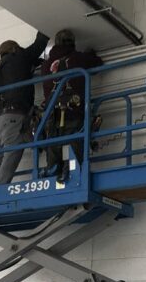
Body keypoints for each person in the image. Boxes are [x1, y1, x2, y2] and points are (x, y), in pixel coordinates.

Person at [0, 31, 50, 187]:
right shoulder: (18, 57)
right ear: (14, 49)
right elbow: (39, 45)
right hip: (14, 116)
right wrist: (45, 23)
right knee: (13, 150)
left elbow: (17, 76)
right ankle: (1, 189)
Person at [41, 29, 103, 182]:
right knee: (74, 143)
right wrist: (90, 54)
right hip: (73, 111)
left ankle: (53, 171)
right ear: (72, 43)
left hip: (52, 114)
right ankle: (72, 170)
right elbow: (97, 63)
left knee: (53, 143)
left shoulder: (46, 65)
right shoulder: (78, 58)